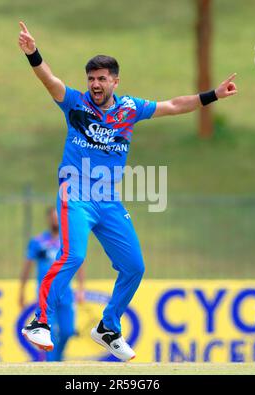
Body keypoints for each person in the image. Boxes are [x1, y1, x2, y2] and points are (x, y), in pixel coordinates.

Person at [18, 21, 238, 361]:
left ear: (115, 81)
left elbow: (175, 105)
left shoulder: (129, 109)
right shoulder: (75, 104)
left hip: (108, 201)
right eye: (91, 78)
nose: (95, 84)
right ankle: (39, 321)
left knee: (134, 266)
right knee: (73, 255)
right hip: (74, 194)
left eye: (102, 78)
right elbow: (50, 80)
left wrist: (213, 95)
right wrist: (34, 53)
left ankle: (108, 327)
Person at [19, 207, 85, 361]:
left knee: (68, 331)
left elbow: (79, 264)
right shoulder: (37, 242)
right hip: (46, 294)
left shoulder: (68, 240)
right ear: (48, 219)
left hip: (66, 293)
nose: (56, 220)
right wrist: (21, 291)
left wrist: (82, 288)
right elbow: (27, 267)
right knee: (47, 332)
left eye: (58, 217)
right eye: (53, 217)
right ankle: (51, 365)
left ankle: (57, 359)